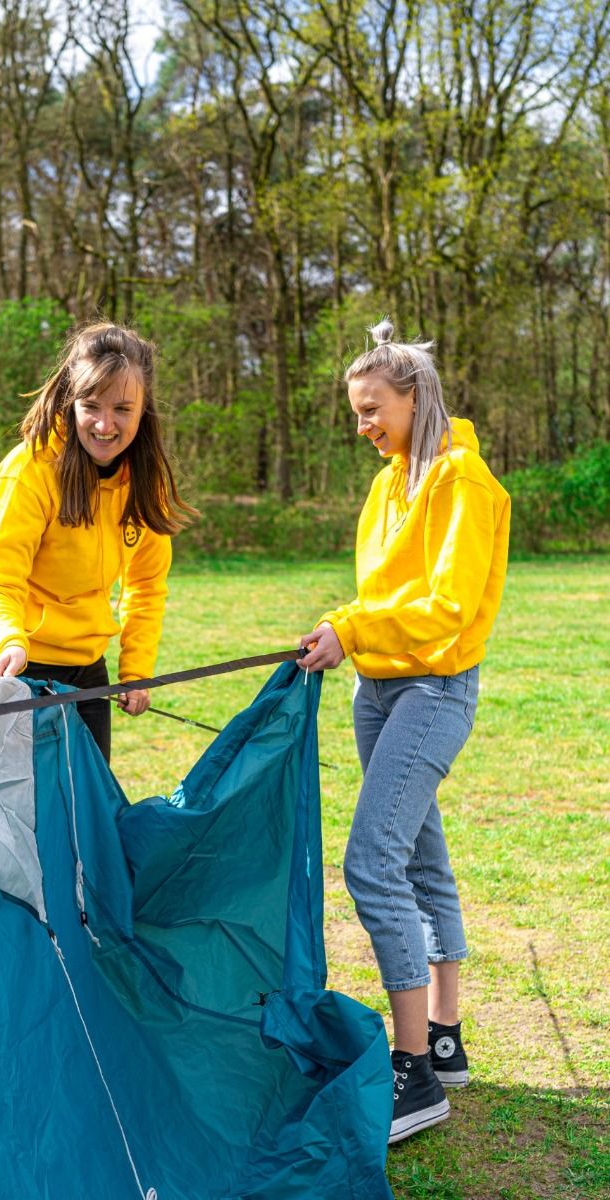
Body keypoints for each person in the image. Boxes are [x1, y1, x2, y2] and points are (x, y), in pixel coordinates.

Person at [298, 319, 510, 1145]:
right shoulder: (391, 478)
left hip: (434, 689)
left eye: (370, 409)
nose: (362, 426)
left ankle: (414, 1070)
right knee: (420, 855)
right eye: (354, 413)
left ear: (413, 396)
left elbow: (449, 605)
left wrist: (350, 627)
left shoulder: (464, 482)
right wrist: (347, 641)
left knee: (371, 864)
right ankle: (447, 1037)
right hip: (376, 689)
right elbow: (383, 588)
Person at [0, 321, 195, 763]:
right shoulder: (29, 471)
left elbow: (146, 586)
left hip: (87, 672)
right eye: (91, 405)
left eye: (123, 409)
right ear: (71, 401)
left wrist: (136, 671)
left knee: (84, 811)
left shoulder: (144, 484)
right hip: (11, 661)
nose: (105, 424)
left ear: (144, 409)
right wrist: (9, 640)